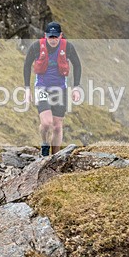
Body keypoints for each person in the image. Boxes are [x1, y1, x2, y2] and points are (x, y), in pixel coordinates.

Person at [23, 21, 82, 156]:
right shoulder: (36, 46)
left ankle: (55, 158)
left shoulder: (68, 47)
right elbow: (27, 66)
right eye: (50, 37)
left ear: (61, 36)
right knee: (46, 123)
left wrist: (76, 87)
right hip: (41, 89)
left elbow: (77, 65)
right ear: (45, 36)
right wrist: (27, 89)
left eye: (56, 37)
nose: (53, 40)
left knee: (57, 126)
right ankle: (44, 143)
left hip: (60, 90)